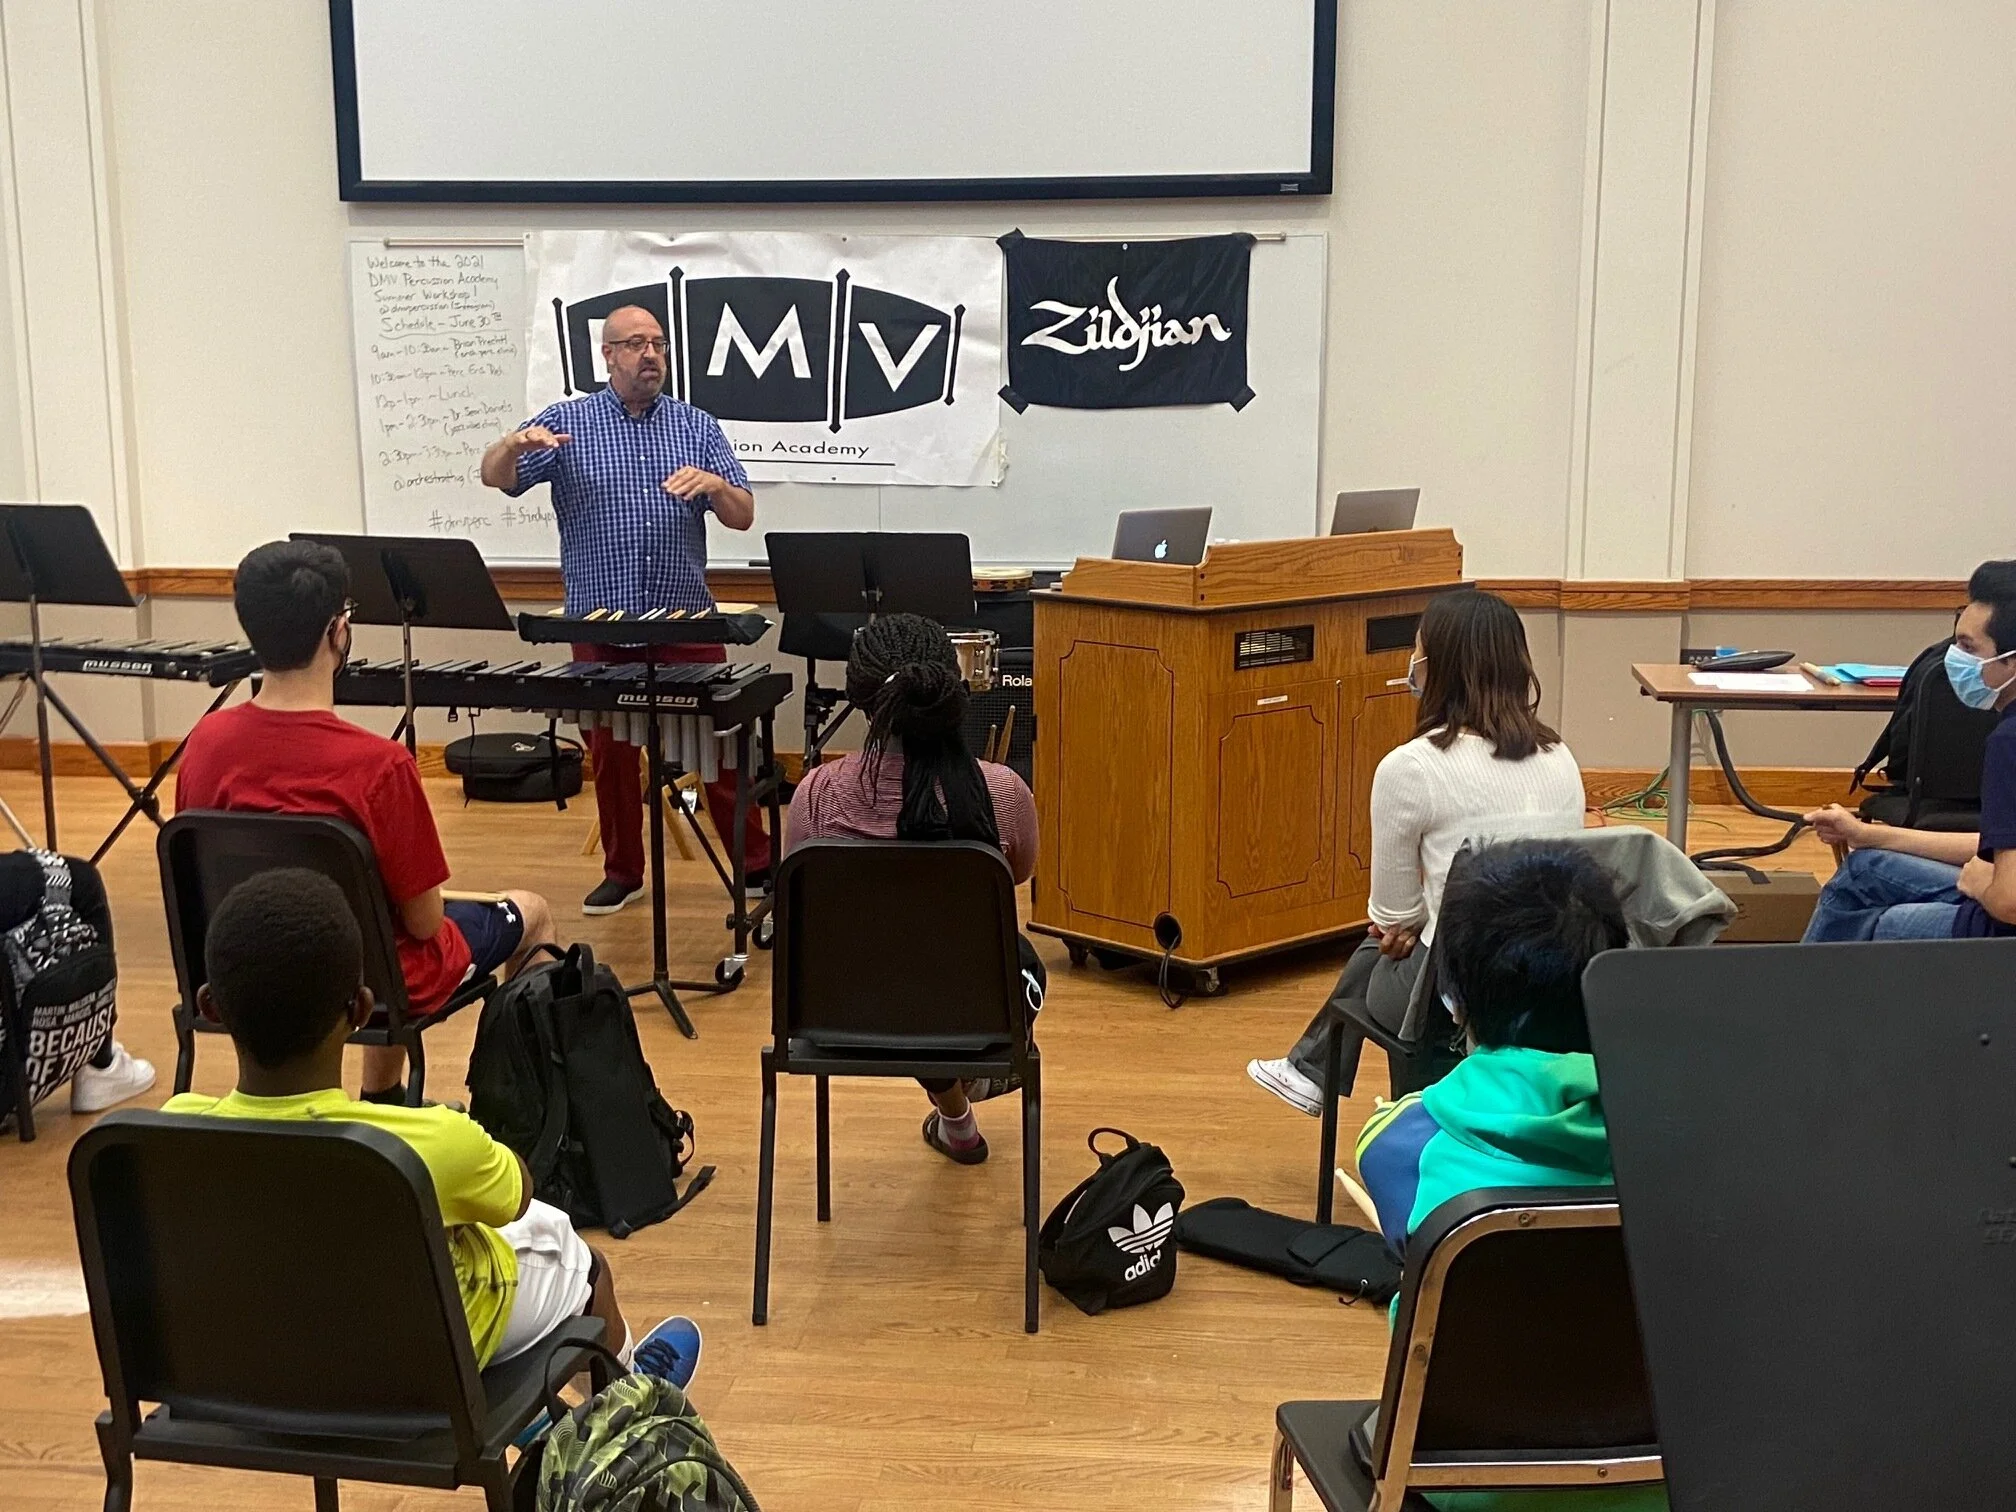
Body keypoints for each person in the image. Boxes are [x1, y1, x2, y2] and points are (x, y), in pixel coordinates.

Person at [161, 869, 699, 1382]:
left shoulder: (167, 1135)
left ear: (209, 1006)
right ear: (361, 1010)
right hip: (412, 1371)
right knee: (581, 1263)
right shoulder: (425, 1144)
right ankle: (635, 1401)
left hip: (252, 1372)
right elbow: (517, 1193)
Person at [176, 540, 555, 1103]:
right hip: (369, 981)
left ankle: (376, 1097)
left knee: (379, 924)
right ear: (338, 632)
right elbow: (424, 923)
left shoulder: (205, 743)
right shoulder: (380, 765)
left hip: (243, 972)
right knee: (531, 911)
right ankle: (520, 1109)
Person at [1352, 842, 1661, 1512]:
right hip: (1668, 1477)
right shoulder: (1699, 1135)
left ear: (1454, 1000)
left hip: (1465, 1482)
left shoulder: (1397, 1143)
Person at [1248, 589, 1586, 1116]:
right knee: (1405, 943)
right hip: (1555, 983)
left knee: (1379, 949)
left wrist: (1417, 921)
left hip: (1453, 1001)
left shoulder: (1410, 767)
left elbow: (1392, 917)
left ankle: (1316, 1072)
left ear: (1437, 666)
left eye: (1417, 649)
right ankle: (1308, 1069)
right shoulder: (1560, 756)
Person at [481, 304, 771, 916]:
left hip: (684, 620)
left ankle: (755, 866)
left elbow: (743, 515)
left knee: (723, 749)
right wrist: (509, 444)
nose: (651, 355)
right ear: (608, 355)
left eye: (658, 343)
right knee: (611, 758)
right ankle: (623, 872)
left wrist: (717, 487)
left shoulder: (696, 425)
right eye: (636, 344)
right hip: (599, 623)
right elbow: (495, 477)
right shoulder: (567, 422)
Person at [784, 613, 1044, 1165]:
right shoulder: (1003, 791)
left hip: (839, 1013)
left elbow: (796, 900)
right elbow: (1017, 875)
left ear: (861, 701)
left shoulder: (816, 794)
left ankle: (957, 1120)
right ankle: (964, 1091)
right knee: (1008, 960)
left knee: (900, 962)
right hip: (970, 1017)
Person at [1803, 559, 2016, 941]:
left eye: (1968, 647)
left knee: (1883, 927)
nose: (1954, 658)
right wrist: (1868, 835)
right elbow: (2000, 846)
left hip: (1998, 929)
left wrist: (1984, 886)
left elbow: (2010, 900)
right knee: (1864, 869)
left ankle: (1813, 980)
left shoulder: (2009, 742)